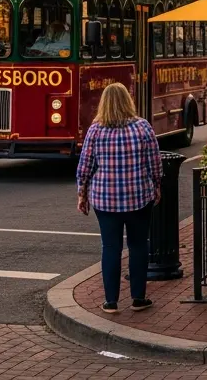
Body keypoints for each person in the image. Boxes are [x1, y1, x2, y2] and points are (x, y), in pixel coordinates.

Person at [76, 82, 161, 313]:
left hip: (105, 199)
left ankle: (111, 301)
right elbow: (154, 162)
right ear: (128, 101)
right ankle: (138, 298)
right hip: (138, 196)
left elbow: (85, 166)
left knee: (111, 247)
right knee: (138, 245)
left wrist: (82, 194)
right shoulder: (142, 127)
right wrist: (156, 185)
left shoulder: (96, 130)